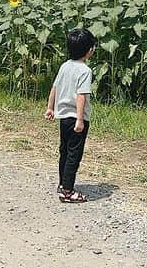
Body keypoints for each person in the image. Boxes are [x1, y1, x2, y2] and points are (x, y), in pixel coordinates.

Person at [44, 27, 95, 203]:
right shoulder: (85, 71)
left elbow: (55, 87)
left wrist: (50, 108)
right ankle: (67, 191)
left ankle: (62, 183)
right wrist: (80, 119)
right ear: (90, 51)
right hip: (76, 118)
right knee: (74, 154)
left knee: (64, 152)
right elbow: (81, 96)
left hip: (63, 116)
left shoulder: (65, 66)